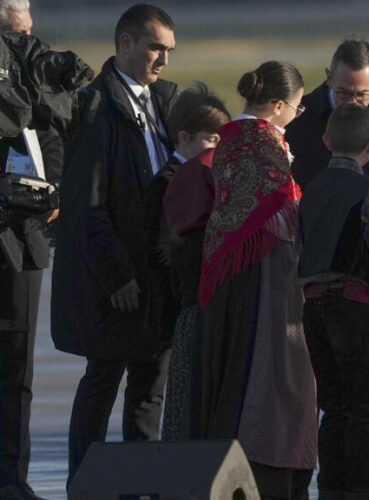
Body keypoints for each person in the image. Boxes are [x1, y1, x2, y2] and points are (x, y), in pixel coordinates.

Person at [49, 3, 177, 487]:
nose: (163, 59)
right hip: (115, 282)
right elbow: (85, 207)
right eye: (154, 48)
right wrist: (116, 273)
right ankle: (86, 485)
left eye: (168, 50)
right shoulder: (94, 106)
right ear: (124, 43)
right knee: (102, 383)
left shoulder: (166, 101)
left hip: (157, 278)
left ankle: (139, 487)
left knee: (149, 393)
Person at [196, 61, 317, 500]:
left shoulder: (230, 137)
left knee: (237, 369)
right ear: (280, 105)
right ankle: (264, 464)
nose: (298, 115)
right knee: (268, 371)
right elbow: (281, 210)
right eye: (299, 108)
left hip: (232, 269)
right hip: (264, 273)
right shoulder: (262, 141)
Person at [1, 2, 89, 498]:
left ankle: (12, 478)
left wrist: (49, 189)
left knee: (17, 369)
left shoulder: (34, 74)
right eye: (18, 21)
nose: (29, 30)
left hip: (20, 240)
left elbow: (52, 136)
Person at [298, 102, 369, 500]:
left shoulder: (308, 191)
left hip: (313, 310)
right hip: (355, 309)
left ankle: (330, 488)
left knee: (334, 406)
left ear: (326, 141)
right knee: (365, 409)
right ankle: (359, 490)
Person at [143, 83, 231, 441]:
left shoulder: (199, 177)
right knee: (161, 394)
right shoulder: (168, 182)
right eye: (211, 140)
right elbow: (162, 250)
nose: (217, 149)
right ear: (183, 137)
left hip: (185, 302)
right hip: (175, 304)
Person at [286, 36, 369, 235]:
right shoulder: (297, 119)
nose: (351, 102)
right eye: (343, 93)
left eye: (361, 95)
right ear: (329, 77)